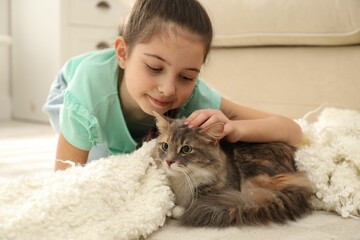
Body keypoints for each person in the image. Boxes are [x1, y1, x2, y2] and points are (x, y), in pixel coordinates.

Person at [43, 0, 303, 171]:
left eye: (187, 76)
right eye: (155, 68)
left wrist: (234, 128)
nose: (168, 89)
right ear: (123, 53)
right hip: (70, 92)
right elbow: (63, 183)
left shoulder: (194, 97)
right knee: (104, 165)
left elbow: (292, 130)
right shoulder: (87, 95)